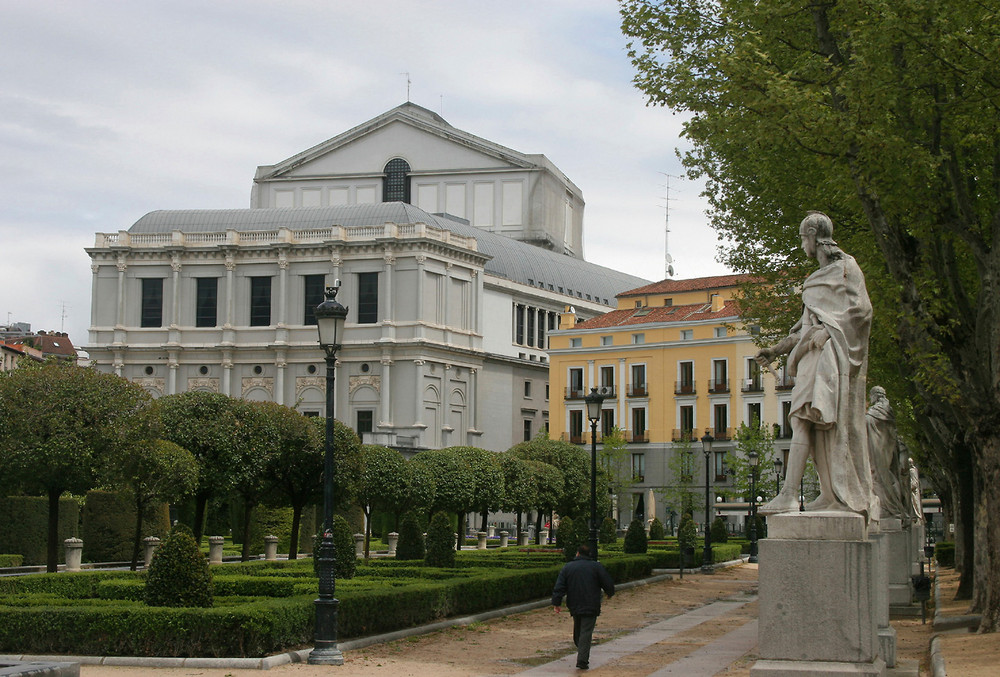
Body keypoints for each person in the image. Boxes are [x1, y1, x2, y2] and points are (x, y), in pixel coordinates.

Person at [756, 212, 876, 519]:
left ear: (813, 235)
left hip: (828, 355)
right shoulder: (813, 281)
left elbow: (861, 311)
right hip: (810, 354)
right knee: (814, 423)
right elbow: (800, 328)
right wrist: (774, 350)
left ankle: (788, 495)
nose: (802, 244)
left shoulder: (846, 267)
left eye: (802, 238)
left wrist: (830, 328)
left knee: (804, 419)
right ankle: (828, 493)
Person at [551, 544, 615, 670]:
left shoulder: (568, 567)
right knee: (584, 632)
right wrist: (610, 592)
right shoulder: (596, 566)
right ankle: (582, 653)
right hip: (591, 603)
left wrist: (556, 603)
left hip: (574, 603)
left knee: (580, 630)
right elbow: (607, 581)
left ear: (578, 553)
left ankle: (582, 659)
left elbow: (560, 586)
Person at [866, 386, 907, 519]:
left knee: (879, 475)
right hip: (885, 448)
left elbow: (867, 422)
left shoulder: (878, 410)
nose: (869, 398)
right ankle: (889, 506)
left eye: (870, 395)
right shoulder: (888, 410)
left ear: (875, 395)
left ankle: (889, 507)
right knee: (883, 475)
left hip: (879, 448)